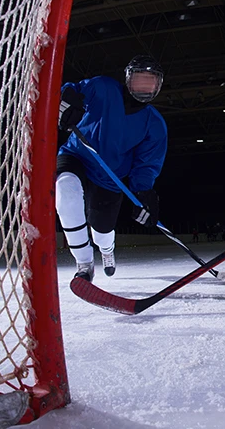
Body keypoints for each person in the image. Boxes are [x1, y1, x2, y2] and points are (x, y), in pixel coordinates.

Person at [55, 55, 168, 281]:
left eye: (150, 82)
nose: (144, 86)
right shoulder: (103, 87)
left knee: (102, 229)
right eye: (139, 80)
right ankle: (84, 262)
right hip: (76, 154)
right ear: (128, 79)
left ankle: (106, 250)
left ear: (158, 86)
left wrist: (143, 192)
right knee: (65, 189)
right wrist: (67, 99)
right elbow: (74, 90)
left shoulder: (154, 124)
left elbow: (146, 164)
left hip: (110, 176)